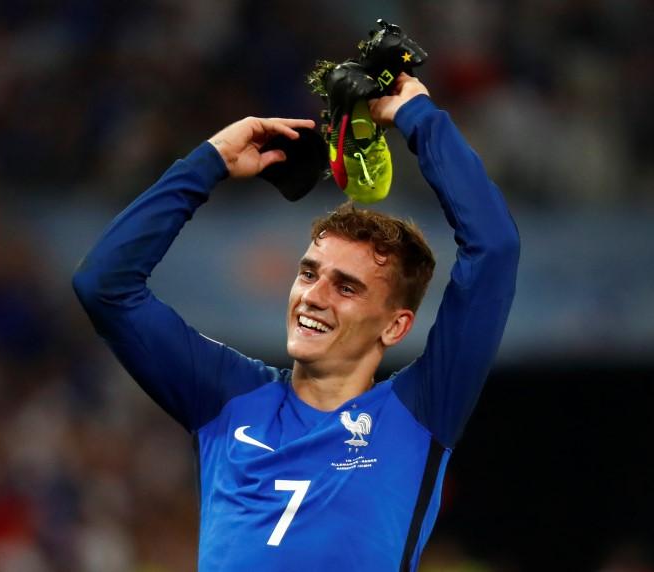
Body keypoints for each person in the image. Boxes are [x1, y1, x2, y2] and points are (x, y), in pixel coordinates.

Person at [72, 73, 520, 571]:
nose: (314, 296)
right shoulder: (225, 395)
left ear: (394, 327)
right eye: (309, 273)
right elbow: (105, 286)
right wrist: (209, 162)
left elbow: (494, 248)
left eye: (346, 287)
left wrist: (417, 115)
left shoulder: (421, 409)